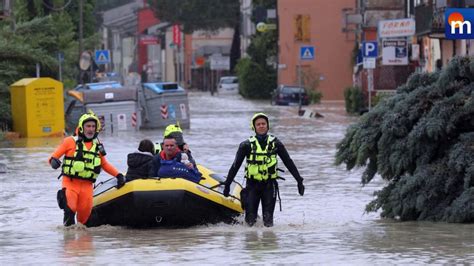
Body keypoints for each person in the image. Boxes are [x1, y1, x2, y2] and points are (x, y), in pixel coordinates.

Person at [223, 112, 305, 227]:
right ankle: (251, 242)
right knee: (250, 221)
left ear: (267, 126)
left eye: (263, 124)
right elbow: (235, 166)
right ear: (254, 127)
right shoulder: (245, 145)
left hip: (269, 186)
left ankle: (268, 243)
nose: (261, 126)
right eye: (258, 124)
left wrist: (299, 181)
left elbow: (288, 162)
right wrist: (227, 185)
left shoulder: (276, 143)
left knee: (268, 221)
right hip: (252, 186)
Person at [48, 112, 126, 226]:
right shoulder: (69, 141)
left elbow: (104, 164)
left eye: (93, 126)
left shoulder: (98, 146)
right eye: (88, 126)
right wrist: (53, 162)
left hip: (87, 186)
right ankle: (68, 240)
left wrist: (118, 175)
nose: (91, 129)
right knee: (70, 209)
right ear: (81, 127)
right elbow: (53, 157)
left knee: (83, 220)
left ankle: (83, 242)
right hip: (70, 183)